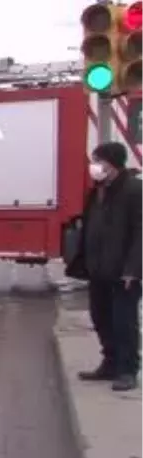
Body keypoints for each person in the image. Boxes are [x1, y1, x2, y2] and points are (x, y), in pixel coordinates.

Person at [71, 142, 143, 391]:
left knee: (124, 322)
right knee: (101, 317)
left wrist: (133, 269)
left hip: (124, 272)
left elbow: (140, 233)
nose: (95, 166)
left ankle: (127, 370)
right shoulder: (99, 190)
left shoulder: (135, 189)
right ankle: (110, 363)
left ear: (113, 164)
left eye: (99, 161)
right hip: (99, 268)